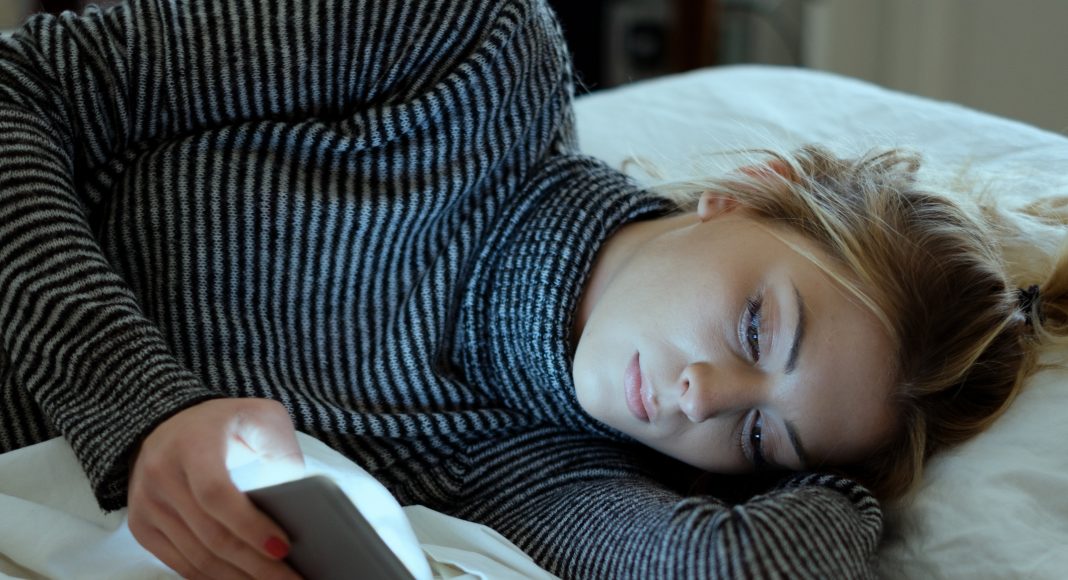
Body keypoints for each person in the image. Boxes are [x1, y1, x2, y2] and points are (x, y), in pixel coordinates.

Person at [0, 0, 1064, 578]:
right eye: (756, 327)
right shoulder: (469, 52)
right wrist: (143, 411)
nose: (701, 396)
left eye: (757, 437)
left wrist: (840, 477)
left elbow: (743, 570)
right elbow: (22, 86)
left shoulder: (548, 478)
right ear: (746, 191)